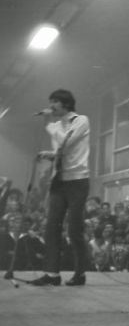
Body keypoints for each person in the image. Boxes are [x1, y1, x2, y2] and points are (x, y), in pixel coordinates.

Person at [30, 89, 90, 286]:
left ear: (65, 103)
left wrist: (48, 125)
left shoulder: (81, 120)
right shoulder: (56, 125)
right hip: (59, 180)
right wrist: (48, 153)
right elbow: (59, 152)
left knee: (74, 230)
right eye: (50, 101)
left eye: (55, 101)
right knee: (51, 227)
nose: (51, 105)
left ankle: (80, 273)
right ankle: (52, 274)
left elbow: (66, 143)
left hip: (78, 181)